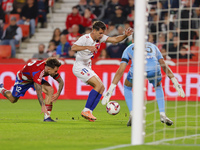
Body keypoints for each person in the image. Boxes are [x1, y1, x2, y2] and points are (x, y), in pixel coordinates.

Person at [102, 40, 185, 126]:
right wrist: (175, 81)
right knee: (158, 86)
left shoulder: (128, 48)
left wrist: (110, 89)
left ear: (132, 40)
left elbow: (121, 69)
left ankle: (133, 113)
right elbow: (163, 64)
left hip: (137, 70)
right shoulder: (153, 46)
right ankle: (162, 114)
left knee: (127, 87)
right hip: (154, 69)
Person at [71, 21, 133, 122]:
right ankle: (86, 110)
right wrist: (88, 47)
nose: (101, 35)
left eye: (102, 33)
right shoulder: (85, 38)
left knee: (102, 87)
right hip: (79, 66)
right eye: (100, 33)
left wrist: (125, 35)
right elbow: (73, 47)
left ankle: (89, 112)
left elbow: (115, 39)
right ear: (94, 31)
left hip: (87, 66)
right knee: (98, 86)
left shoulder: (100, 37)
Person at [0, 58, 64, 122]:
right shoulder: (38, 72)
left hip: (33, 78)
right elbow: (38, 91)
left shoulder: (48, 67)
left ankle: (47, 117)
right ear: (48, 69)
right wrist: (42, 105)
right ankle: (1, 89)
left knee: (49, 89)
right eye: (55, 71)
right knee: (13, 99)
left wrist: (58, 93)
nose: (56, 73)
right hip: (23, 80)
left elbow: (61, 82)